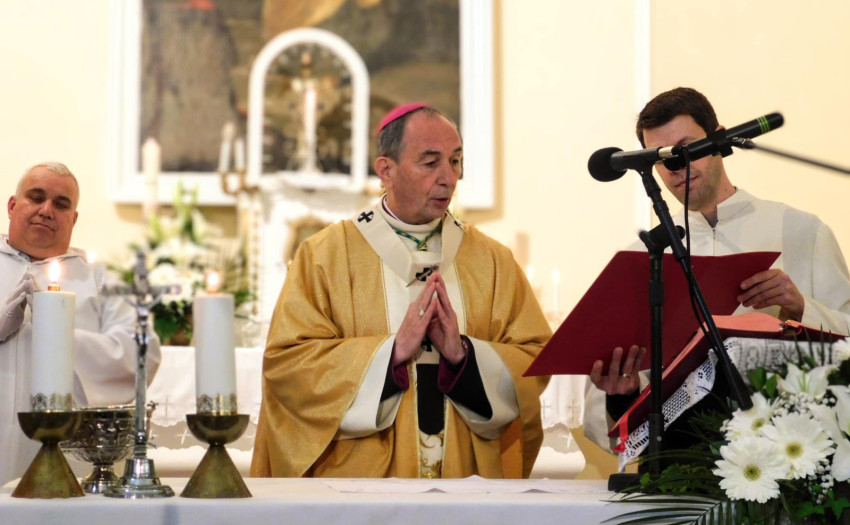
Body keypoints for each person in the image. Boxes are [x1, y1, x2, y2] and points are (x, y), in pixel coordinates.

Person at [251, 104, 551, 479]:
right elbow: (289, 364)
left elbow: (534, 357)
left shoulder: (491, 260)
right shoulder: (326, 255)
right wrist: (390, 353)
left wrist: (463, 356)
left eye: (455, 161)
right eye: (431, 163)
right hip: (363, 482)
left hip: (466, 477)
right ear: (386, 171)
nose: (449, 178)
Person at [584, 87, 850, 454]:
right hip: (679, 460)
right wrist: (622, 390)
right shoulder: (643, 257)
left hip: (786, 453)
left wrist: (801, 308)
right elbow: (613, 406)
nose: (677, 168)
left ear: (719, 140)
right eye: (662, 158)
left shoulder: (801, 230)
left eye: (686, 148)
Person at [0, 162, 161, 484]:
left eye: (61, 204)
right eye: (36, 197)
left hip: (72, 455)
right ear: (12, 205)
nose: (47, 211)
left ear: (73, 219)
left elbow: (139, 356)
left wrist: (58, 334)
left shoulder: (102, 280)